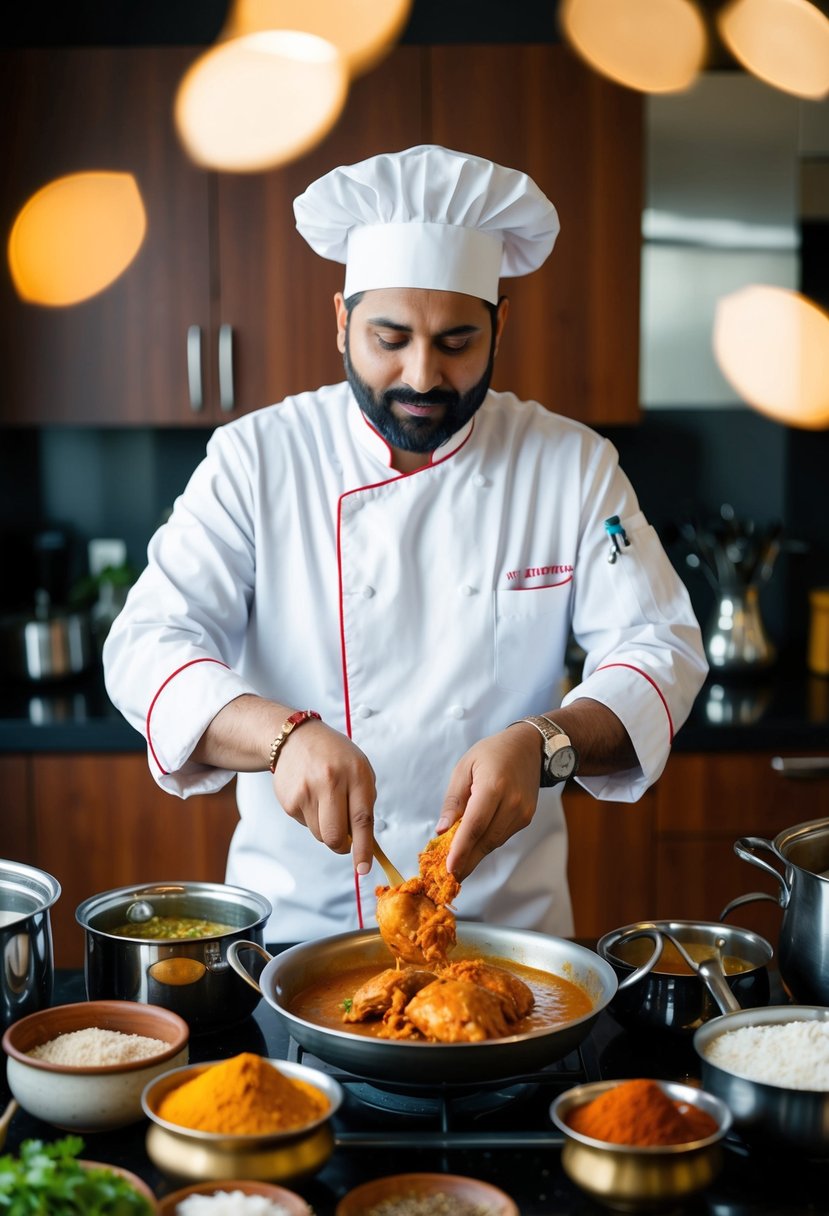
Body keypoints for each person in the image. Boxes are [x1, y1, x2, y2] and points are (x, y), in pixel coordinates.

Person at [103, 145, 708, 943]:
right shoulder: (257, 458)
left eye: (456, 342)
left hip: (508, 934)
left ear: (500, 326)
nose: (421, 376)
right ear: (340, 321)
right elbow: (146, 647)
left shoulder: (569, 466)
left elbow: (658, 646)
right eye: (389, 338)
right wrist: (278, 737)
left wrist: (545, 741)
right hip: (293, 928)